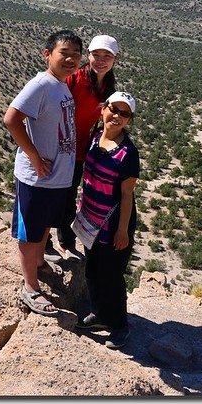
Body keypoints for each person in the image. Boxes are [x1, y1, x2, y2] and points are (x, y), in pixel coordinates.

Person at [3, 30, 81, 316]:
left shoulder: (62, 85)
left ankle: (38, 263)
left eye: (75, 54)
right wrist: (33, 155)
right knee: (30, 231)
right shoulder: (41, 84)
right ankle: (30, 288)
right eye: (64, 53)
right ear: (48, 54)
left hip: (57, 176)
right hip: (36, 177)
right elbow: (11, 119)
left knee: (45, 224)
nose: (70, 59)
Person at [75, 91, 139, 349]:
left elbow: (127, 195)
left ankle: (119, 326)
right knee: (93, 270)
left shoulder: (128, 153)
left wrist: (122, 231)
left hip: (113, 224)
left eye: (124, 113)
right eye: (113, 109)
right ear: (103, 109)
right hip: (90, 217)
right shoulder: (94, 136)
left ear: (129, 120)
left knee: (112, 275)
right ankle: (99, 313)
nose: (116, 116)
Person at [53, 34, 119, 261]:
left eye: (107, 56)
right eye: (96, 55)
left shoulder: (107, 87)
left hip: (81, 150)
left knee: (69, 194)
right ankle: (46, 244)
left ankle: (65, 242)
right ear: (88, 56)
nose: (101, 60)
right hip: (60, 147)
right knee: (56, 194)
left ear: (115, 60)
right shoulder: (75, 78)